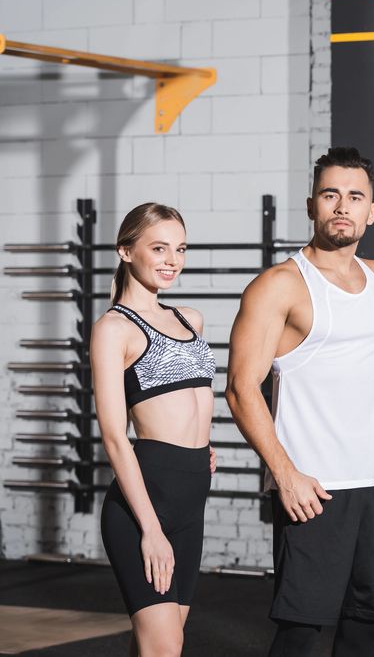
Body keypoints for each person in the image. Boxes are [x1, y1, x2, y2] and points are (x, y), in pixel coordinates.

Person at [226, 147, 374, 657]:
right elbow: (239, 388)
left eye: (354, 197)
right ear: (312, 205)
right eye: (331, 194)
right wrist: (286, 473)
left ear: (372, 211)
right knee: (300, 632)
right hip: (313, 487)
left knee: (368, 624)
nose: (342, 206)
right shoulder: (279, 286)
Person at [93, 202, 217, 657]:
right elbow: (113, 436)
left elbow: (193, 401)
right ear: (126, 251)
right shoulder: (114, 329)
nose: (172, 260)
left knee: (162, 644)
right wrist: (150, 528)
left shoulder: (190, 319)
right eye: (159, 248)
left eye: (179, 249)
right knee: (163, 647)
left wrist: (204, 444)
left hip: (191, 501)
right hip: (145, 505)